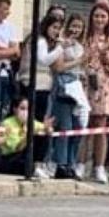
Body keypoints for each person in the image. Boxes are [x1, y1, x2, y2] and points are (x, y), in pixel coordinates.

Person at [80, 2, 109, 185]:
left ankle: (99, 166)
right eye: (96, 16)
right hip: (86, 82)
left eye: (103, 16)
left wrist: (108, 59)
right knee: (84, 124)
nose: (99, 19)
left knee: (100, 126)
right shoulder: (85, 37)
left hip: (103, 84)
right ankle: (80, 163)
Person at [50, 14, 87, 180]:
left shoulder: (80, 46)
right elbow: (59, 67)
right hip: (64, 86)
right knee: (65, 128)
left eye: (79, 27)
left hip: (78, 88)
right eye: (73, 26)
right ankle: (61, 164)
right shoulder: (62, 44)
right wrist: (79, 61)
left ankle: (71, 163)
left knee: (77, 128)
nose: (75, 30)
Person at [30, 13, 66, 179]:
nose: (56, 32)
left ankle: (39, 162)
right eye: (54, 28)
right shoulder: (41, 41)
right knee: (39, 124)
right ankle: (36, 163)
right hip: (37, 87)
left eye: (59, 28)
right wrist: (60, 48)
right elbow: (43, 60)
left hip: (45, 87)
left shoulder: (47, 43)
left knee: (43, 125)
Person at [0, 97, 53, 175]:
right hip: (10, 157)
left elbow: (46, 129)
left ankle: (38, 165)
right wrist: (27, 136)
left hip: (25, 156)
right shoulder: (7, 123)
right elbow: (17, 148)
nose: (25, 112)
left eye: (28, 109)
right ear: (15, 109)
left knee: (42, 137)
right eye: (22, 108)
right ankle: (32, 169)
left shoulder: (31, 122)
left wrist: (48, 129)